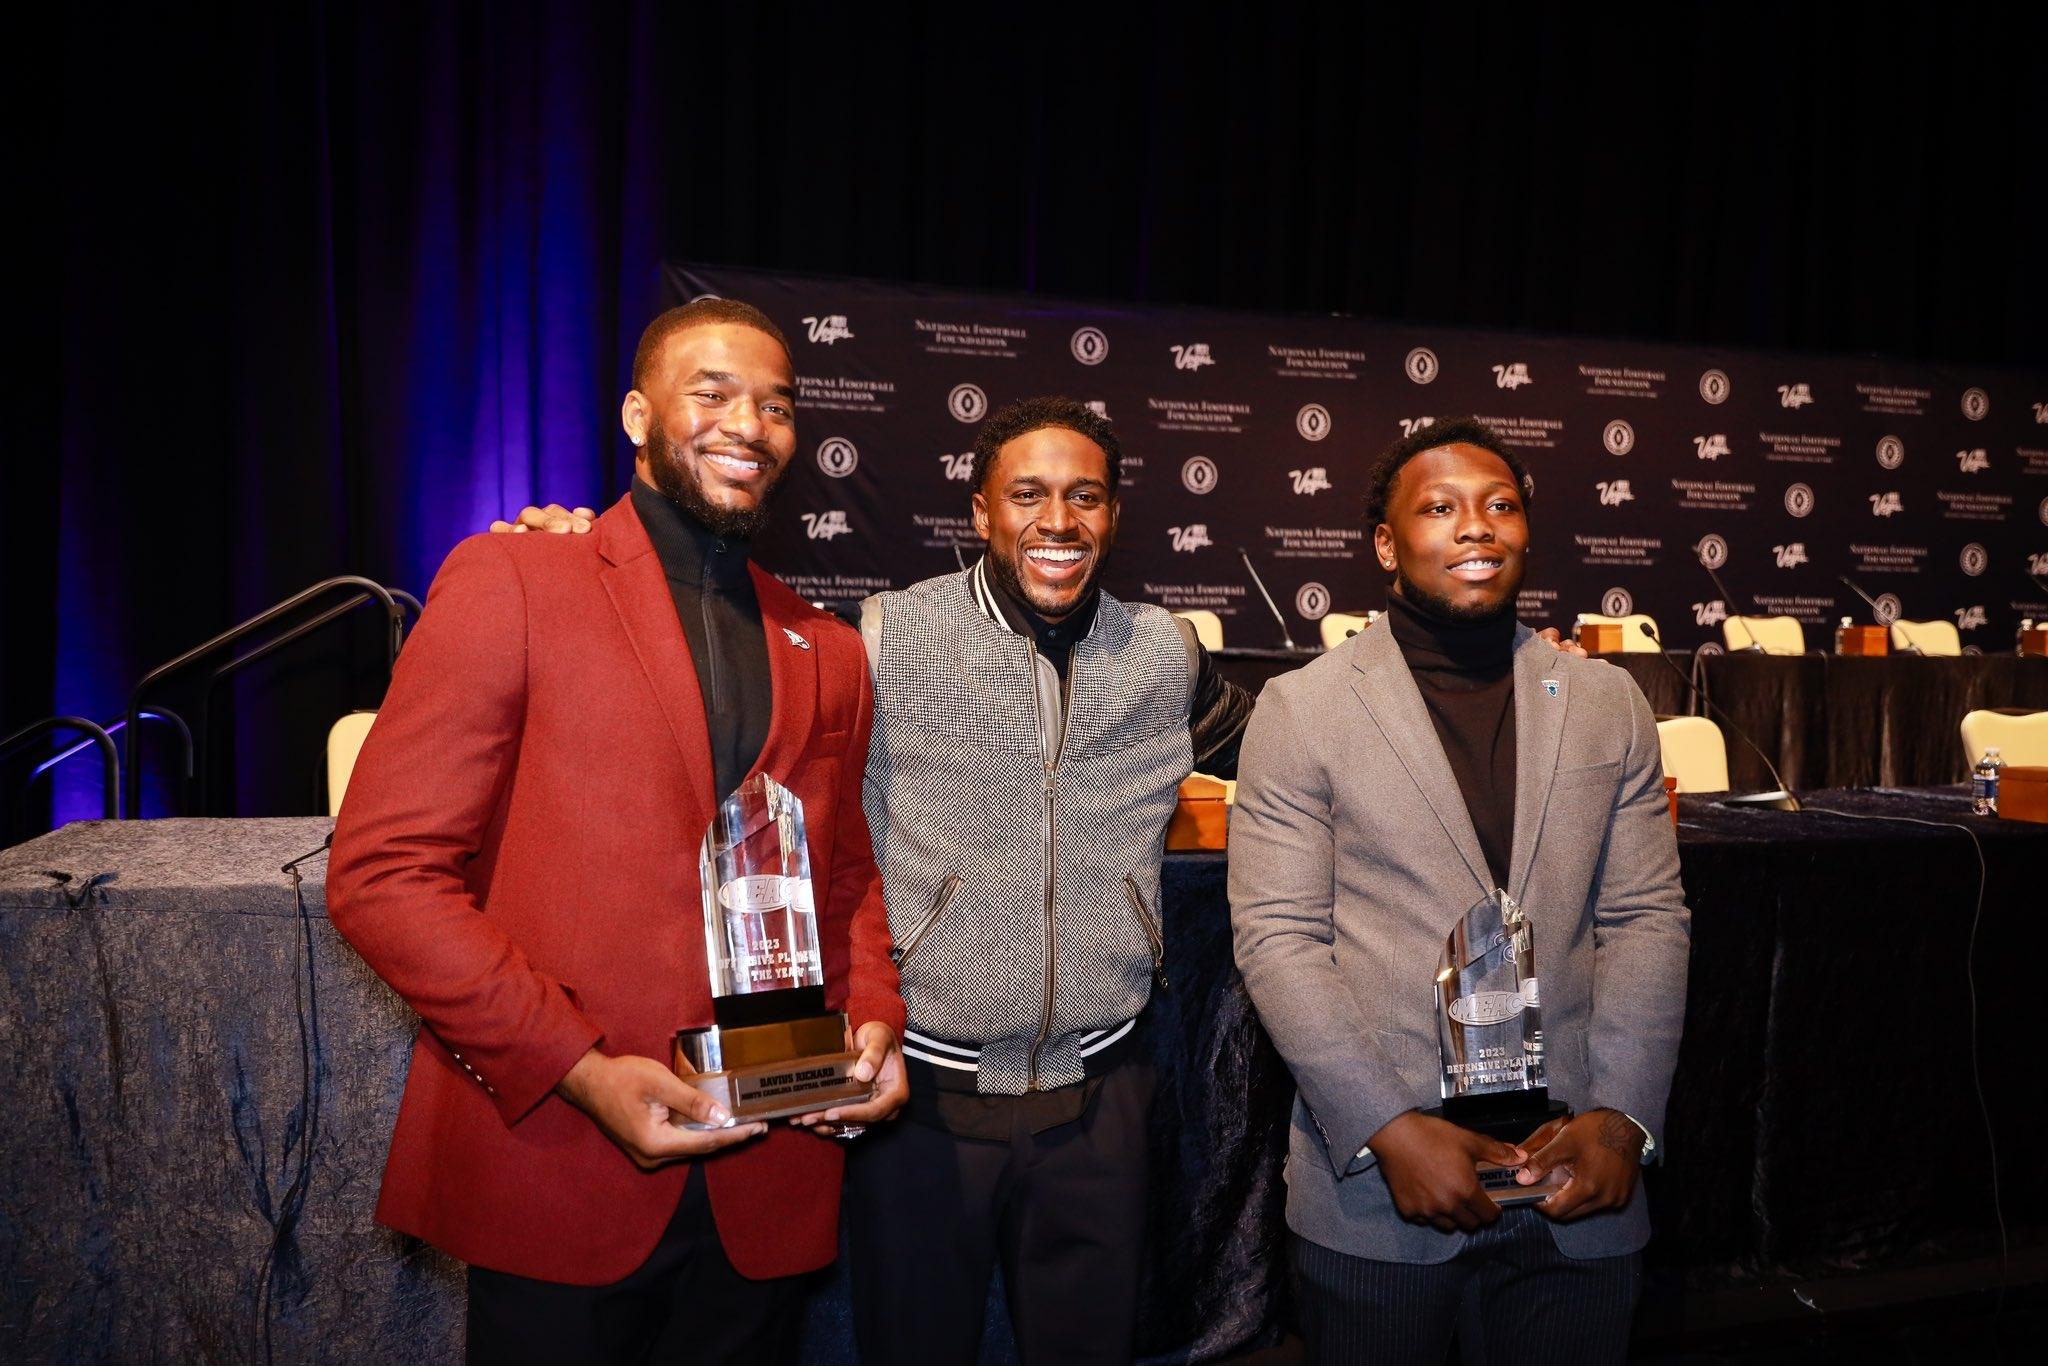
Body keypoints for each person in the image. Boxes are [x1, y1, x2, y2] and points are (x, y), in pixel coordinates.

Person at [505, 394, 1253, 1363]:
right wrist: (574, 565)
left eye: (1085, 496)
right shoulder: (887, 638)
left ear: (1112, 515)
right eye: (1026, 493)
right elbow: (733, 736)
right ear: (979, 514)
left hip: (1101, 1094)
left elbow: (1286, 744)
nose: (1057, 521)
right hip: (924, 1102)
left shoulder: (1163, 654)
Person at [326, 298, 907, 1366]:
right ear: (638, 415)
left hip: (767, 1164)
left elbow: (847, 873)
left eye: (776, 404)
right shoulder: (512, 579)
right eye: (714, 391)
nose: (751, 422)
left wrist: (872, 1014)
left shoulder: (825, 642)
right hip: (562, 1156)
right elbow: (382, 876)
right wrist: (582, 1067)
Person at [1227, 418, 1690, 1365]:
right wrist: (1387, 1130)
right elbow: (1278, 939)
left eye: (1500, 505)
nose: (1475, 527)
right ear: (1387, 546)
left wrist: (1623, 1118)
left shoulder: (1608, 702)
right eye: (1439, 509)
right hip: (1383, 1198)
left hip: (1578, 1180)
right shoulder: (1302, 709)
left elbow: (1646, 919)